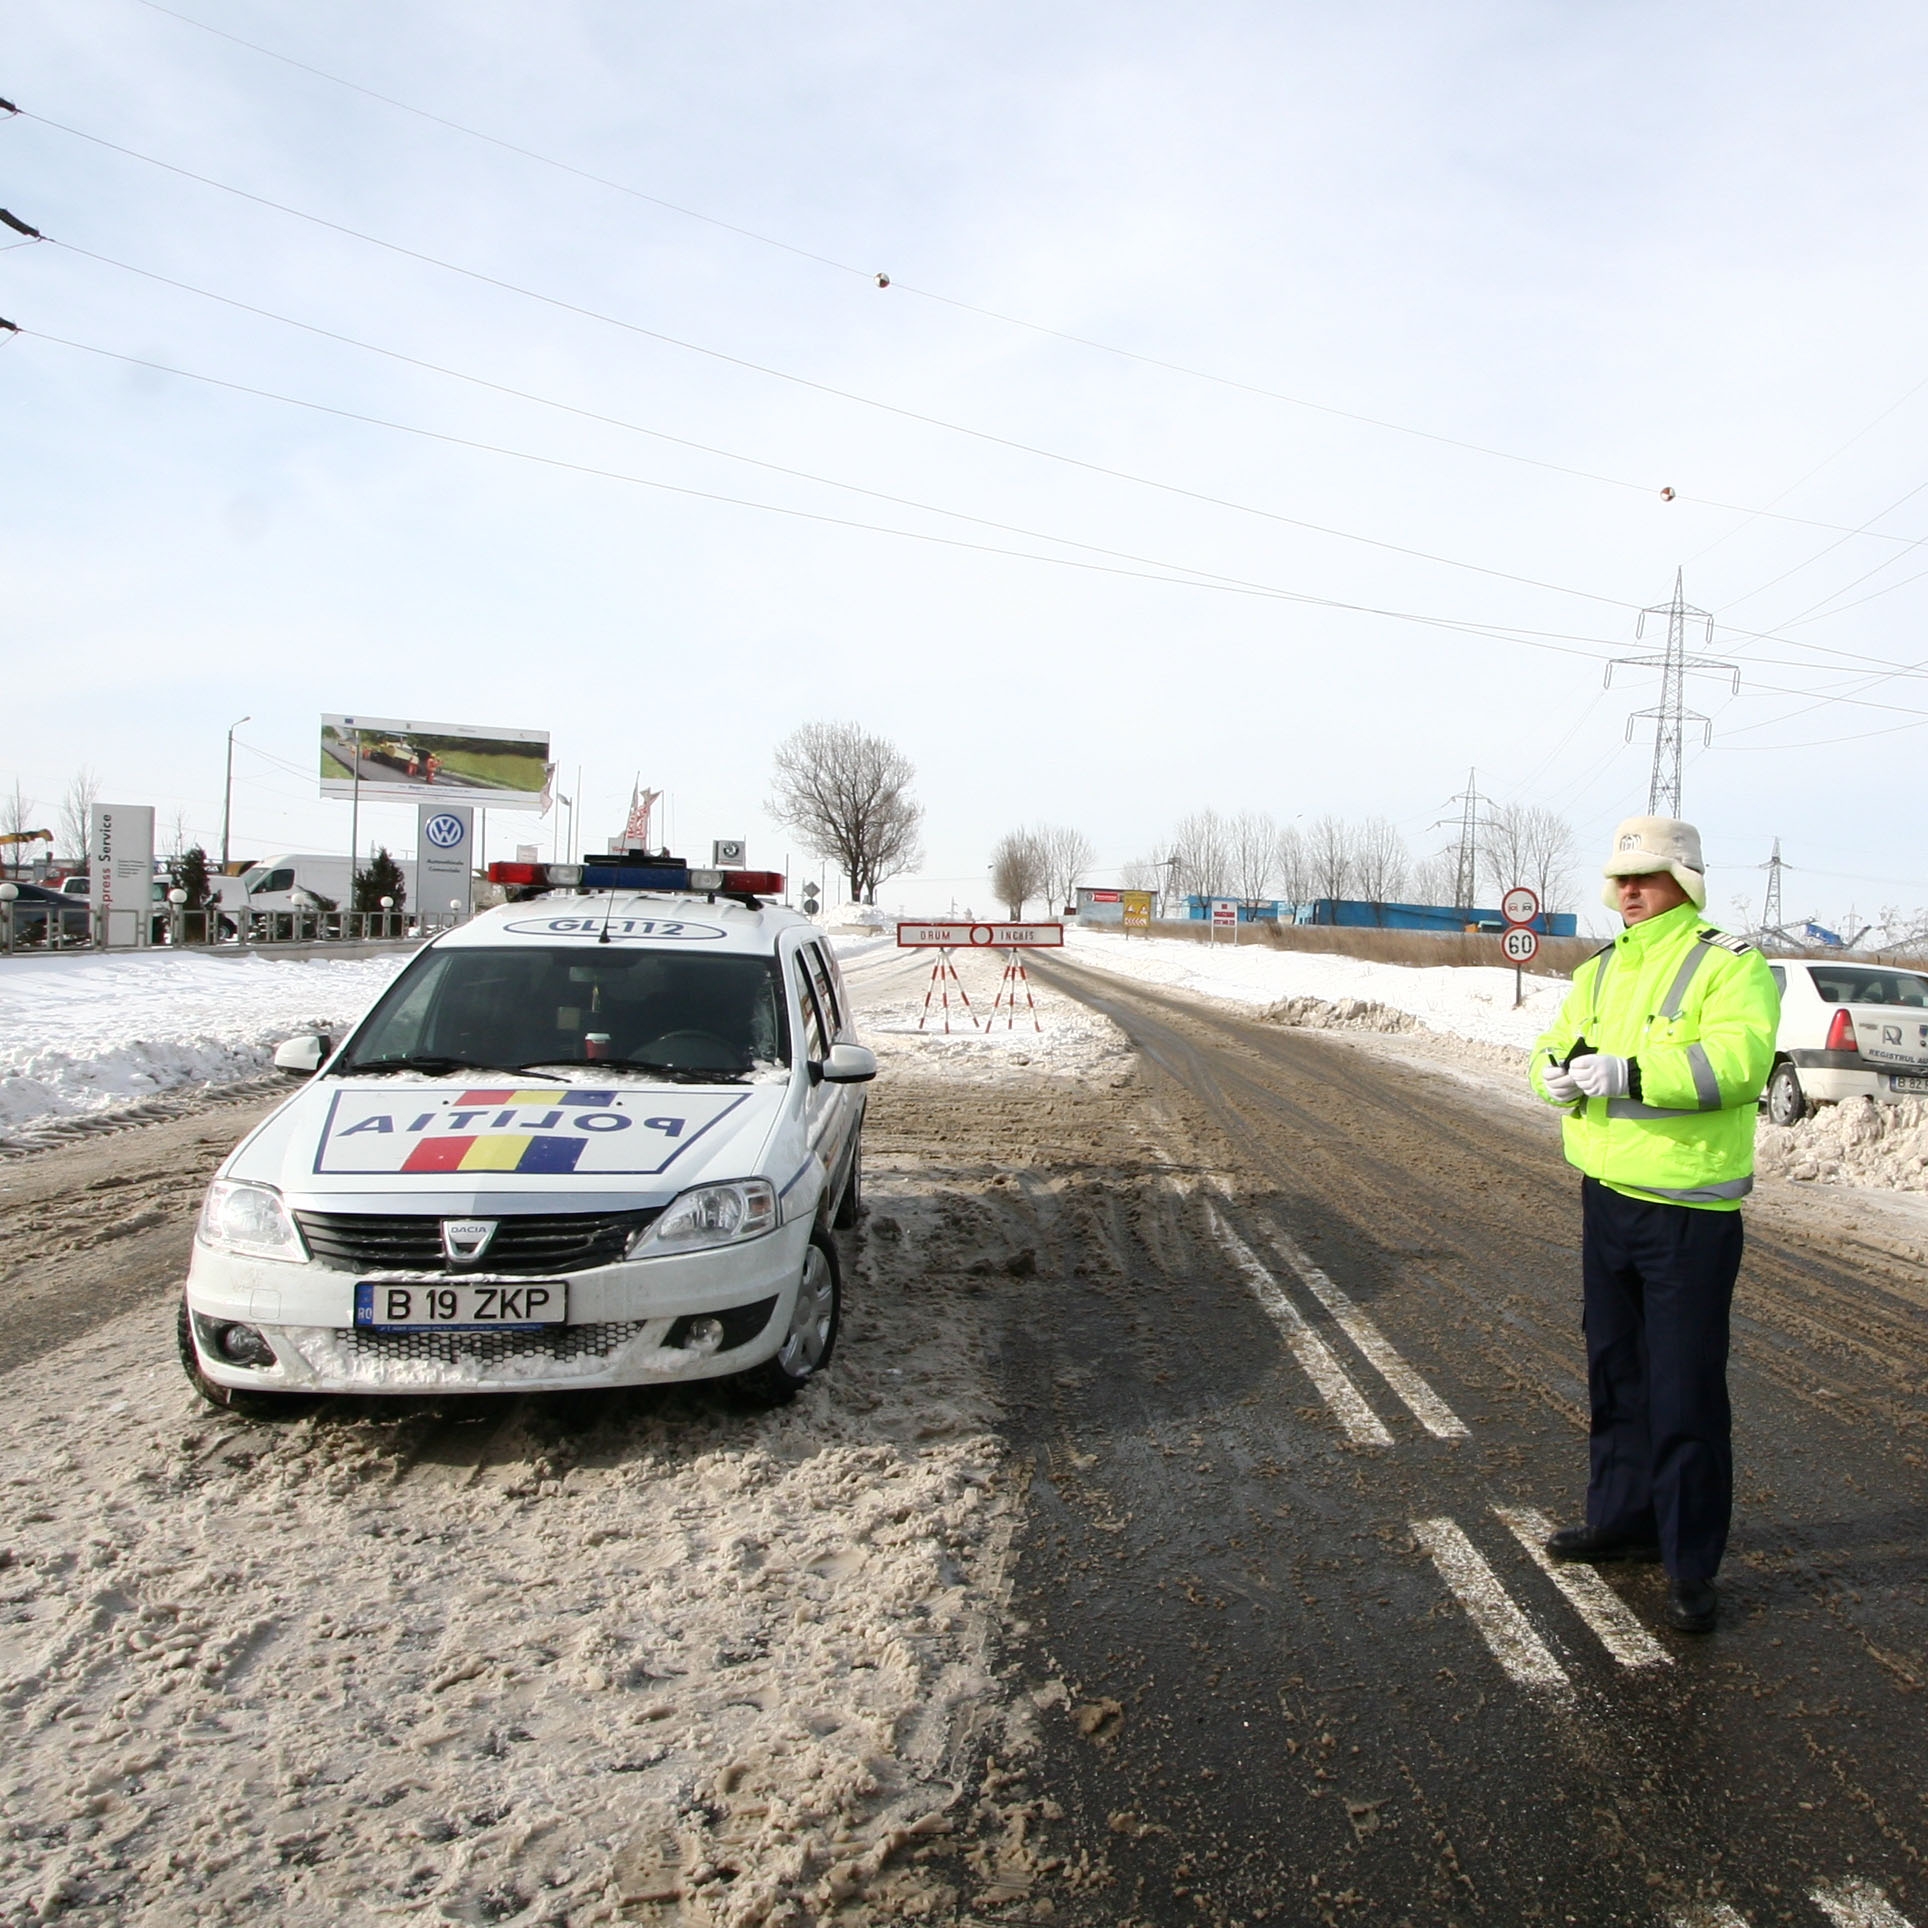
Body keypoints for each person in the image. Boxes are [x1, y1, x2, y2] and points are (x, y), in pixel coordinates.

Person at [1530, 817, 1779, 1633]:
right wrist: (1553, 1078)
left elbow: (1737, 1065)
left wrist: (1631, 1071)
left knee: (1684, 1391)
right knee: (1617, 1375)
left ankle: (1690, 1564)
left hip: (1688, 1215)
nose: (1628, 891)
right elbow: (1551, 1046)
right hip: (1607, 1199)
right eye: (1620, 879)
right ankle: (1623, 1523)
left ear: (1686, 879)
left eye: (1645, 877)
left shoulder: (1730, 966)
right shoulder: (1602, 969)